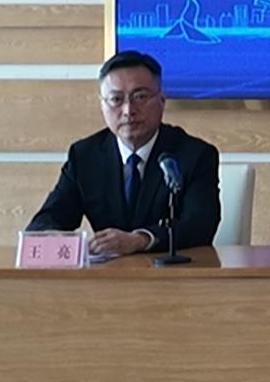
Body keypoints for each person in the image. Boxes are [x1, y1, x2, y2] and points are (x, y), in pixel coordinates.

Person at [28, 50, 222, 256]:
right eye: (116, 99)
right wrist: (51, 235)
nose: (129, 110)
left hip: (172, 273)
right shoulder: (84, 156)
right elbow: (48, 219)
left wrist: (140, 240)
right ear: (102, 105)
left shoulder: (195, 155)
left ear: (162, 99)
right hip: (108, 273)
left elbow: (201, 224)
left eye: (140, 97)